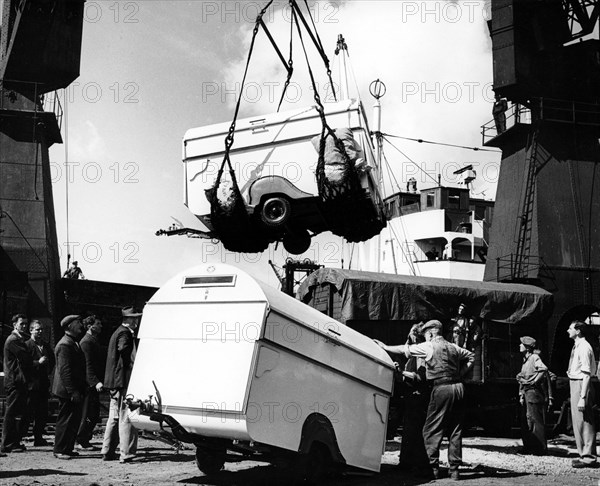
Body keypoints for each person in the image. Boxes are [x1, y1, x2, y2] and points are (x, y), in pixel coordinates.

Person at [375, 319, 474, 481]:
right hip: (459, 387)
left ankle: (432, 468)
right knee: (456, 429)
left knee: (431, 430)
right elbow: (471, 356)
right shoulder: (453, 347)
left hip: (441, 387)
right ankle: (455, 470)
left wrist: (385, 347)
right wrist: (461, 374)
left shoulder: (429, 346)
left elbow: (405, 350)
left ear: (430, 333)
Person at [101, 306, 142, 463]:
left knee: (114, 417)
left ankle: (107, 450)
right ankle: (126, 453)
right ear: (129, 320)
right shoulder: (125, 333)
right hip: (122, 381)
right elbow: (124, 351)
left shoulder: (117, 331)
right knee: (127, 416)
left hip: (114, 382)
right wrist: (131, 367)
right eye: (135, 318)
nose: (137, 321)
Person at [396, 323, 430, 475]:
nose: (407, 342)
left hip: (417, 394)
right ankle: (408, 462)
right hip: (412, 393)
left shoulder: (420, 354)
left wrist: (401, 372)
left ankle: (414, 463)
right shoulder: (414, 354)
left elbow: (419, 376)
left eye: (410, 338)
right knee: (410, 429)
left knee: (414, 430)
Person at [53, 315, 87, 460]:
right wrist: (72, 391)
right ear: (69, 326)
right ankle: (60, 449)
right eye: (77, 323)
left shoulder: (72, 342)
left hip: (73, 389)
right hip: (67, 391)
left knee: (73, 419)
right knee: (65, 420)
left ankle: (67, 448)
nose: (80, 325)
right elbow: (65, 371)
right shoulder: (65, 345)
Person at [566, 320, 598, 468]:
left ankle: (589, 457)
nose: (568, 330)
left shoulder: (584, 347)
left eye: (570, 328)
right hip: (575, 383)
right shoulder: (577, 346)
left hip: (581, 384)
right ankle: (583, 454)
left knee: (585, 421)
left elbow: (586, 374)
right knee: (578, 422)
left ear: (578, 331)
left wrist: (582, 397)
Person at [1, 314, 33, 453]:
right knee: (11, 412)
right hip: (15, 381)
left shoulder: (18, 340)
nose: (24, 326)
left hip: (18, 380)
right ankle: (7, 443)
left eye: (26, 324)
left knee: (15, 412)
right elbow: (25, 358)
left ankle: (13, 442)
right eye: (22, 324)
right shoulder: (14, 340)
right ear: (15, 325)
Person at [516, 336, 549, 455]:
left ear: (528, 347)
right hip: (526, 392)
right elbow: (523, 377)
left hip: (533, 392)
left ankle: (539, 449)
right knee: (527, 420)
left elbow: (543, 369)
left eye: (521, 344)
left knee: (536, 421)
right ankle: (529, 447)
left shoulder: (534, 357)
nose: (519, 346)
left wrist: (534, 381)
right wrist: (521, 394)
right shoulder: (525, 360)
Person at [24, 320, 55, 447]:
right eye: (37, 329)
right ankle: (19, 438)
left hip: (43, 384)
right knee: (28, 412)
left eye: (41, 329)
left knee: (42, 413)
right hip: (31, 385)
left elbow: (52, 361)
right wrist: (38, 363)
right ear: (31, 330)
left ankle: (38, 437)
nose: (40, 332)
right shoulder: (26, 345)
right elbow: (24, 364)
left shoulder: (46, 346)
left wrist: (47, 370)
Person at [76, 315, 105, 450]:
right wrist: (95, 382)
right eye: (98, 324)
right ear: (90, 326)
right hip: (89, 385)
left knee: (93, 413)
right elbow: (87, 365)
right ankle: (82, 439)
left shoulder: (92, 340)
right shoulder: (86, 342)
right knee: (88, 413)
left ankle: (84, 438)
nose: (100, 326)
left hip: (92, 383)